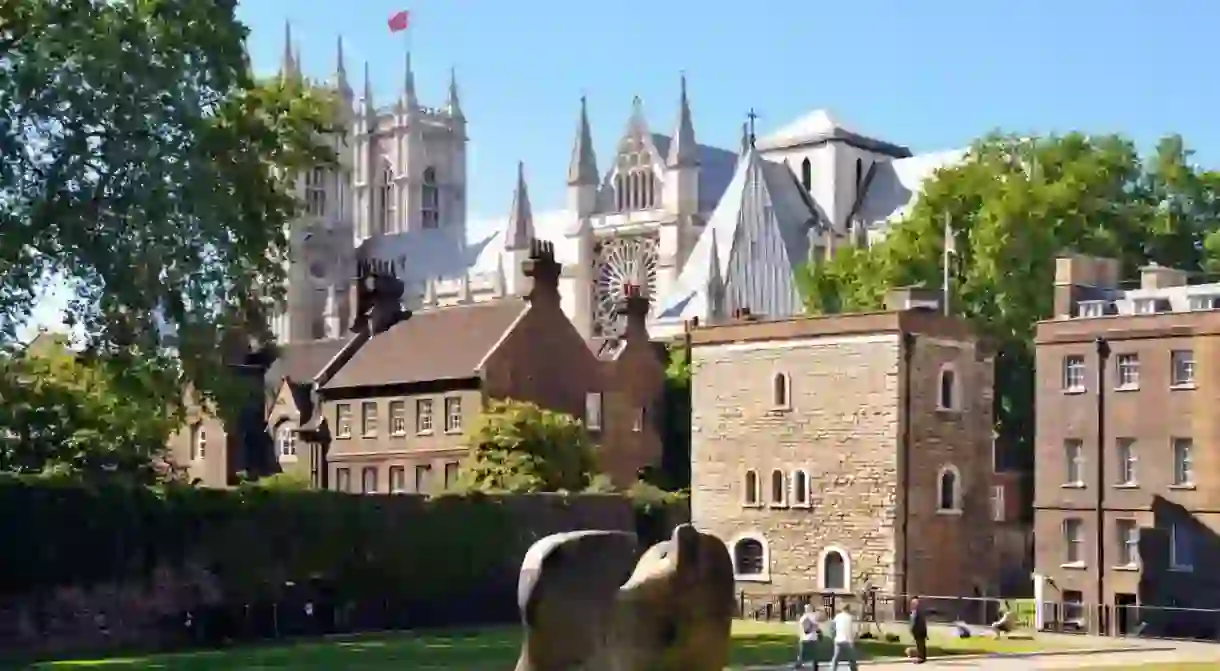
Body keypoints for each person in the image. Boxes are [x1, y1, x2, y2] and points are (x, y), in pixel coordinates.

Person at [829, 604, 858, 671]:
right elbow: (854, 630)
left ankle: (833, 669)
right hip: (848, 641)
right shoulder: (850, 617)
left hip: (838, 640)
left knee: (836, 658)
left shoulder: (837, 616)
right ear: (848, 609)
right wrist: (854, 639)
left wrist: (833, 636)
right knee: (852, 658)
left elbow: (832, 627)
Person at [794, 603, 821, 669]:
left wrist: (817, 630)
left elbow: (815, 628)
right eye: (809, 608)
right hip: (807, 639)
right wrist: (815, 628)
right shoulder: (806, 618)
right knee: (805, 657)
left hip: (809, 639)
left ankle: (813, 667)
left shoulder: (809, 617)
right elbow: (807, 630)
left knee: (812, 657)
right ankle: (798, 666)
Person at [908, 597, 928, 664]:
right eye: (912, 603)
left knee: (920, 644)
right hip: (918, 630)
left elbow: (920, 622)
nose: (913, 604)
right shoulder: (915, 611)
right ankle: (922, 657)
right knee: (920, 644)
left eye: (914, 603)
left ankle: (921, 658)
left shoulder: (918, 612)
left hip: (920, 631)